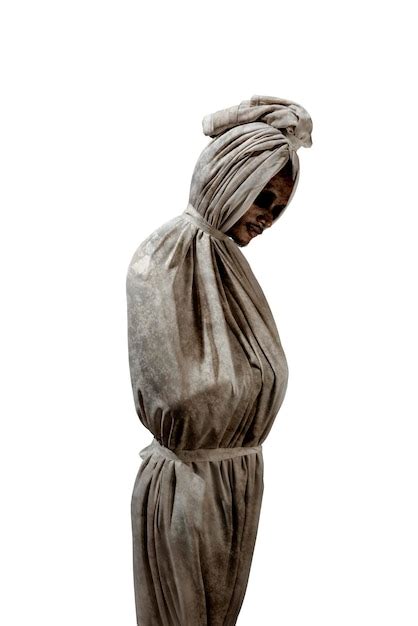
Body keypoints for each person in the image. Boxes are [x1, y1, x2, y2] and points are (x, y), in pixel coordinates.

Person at [126, 95, 313, 625]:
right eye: (263, 198)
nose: (269, 218)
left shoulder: (229, 267)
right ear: (229, 178)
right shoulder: (162, 259)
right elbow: (181, 397)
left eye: (279, 207)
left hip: (238, 482)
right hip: (190, 489)